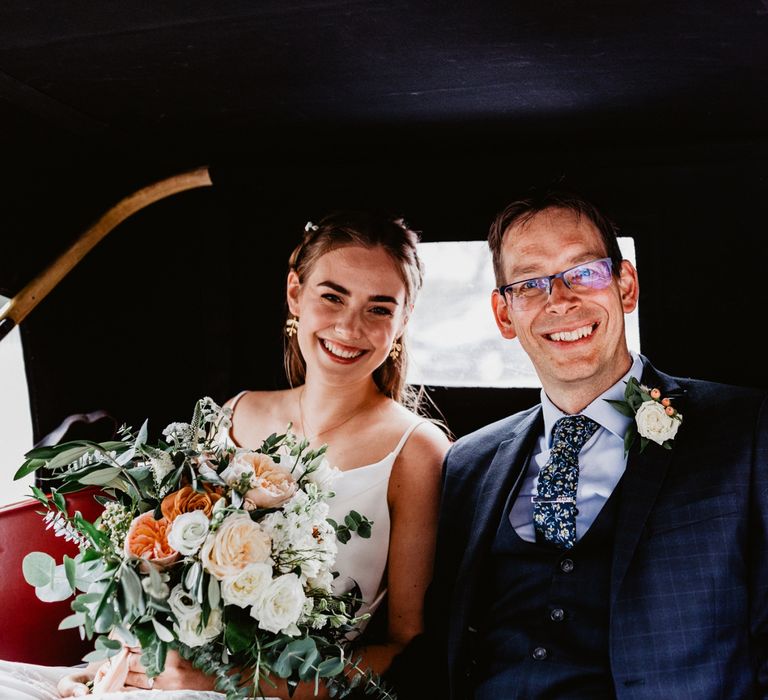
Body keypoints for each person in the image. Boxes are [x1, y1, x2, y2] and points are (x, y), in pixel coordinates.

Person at [0, 210, 450, 699]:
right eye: (332, 296)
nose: (349, 326)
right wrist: (117, 664)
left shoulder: (417, 449)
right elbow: (160, 569)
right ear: (295, 293)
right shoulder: (234, 413)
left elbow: (408, 647)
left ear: (404, 320)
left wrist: (235, 682)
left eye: (379, 309)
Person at [391, 189, 768, 699]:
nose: (561, 300)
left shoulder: (744, 428)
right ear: (505, 315)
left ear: (626, 285)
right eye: (530, 284)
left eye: (584, 272)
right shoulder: (468, 464)